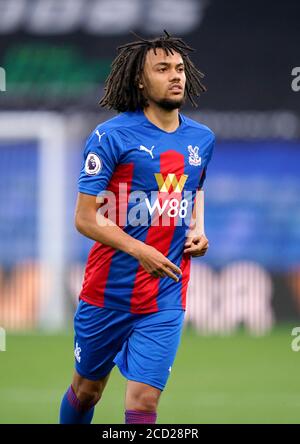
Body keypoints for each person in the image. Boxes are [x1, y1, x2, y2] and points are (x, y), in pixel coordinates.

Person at [59, 30, 215, 424]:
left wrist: (198, 229)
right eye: (162, 69)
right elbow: (84, 217)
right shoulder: (111, 136)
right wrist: (139, 249)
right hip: (107, 291)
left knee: (143, 402)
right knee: (87, 390)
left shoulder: (202, 139)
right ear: (140, 81)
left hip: (165, 292)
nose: (175, 76)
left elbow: (193, 192)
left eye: (179, 68)